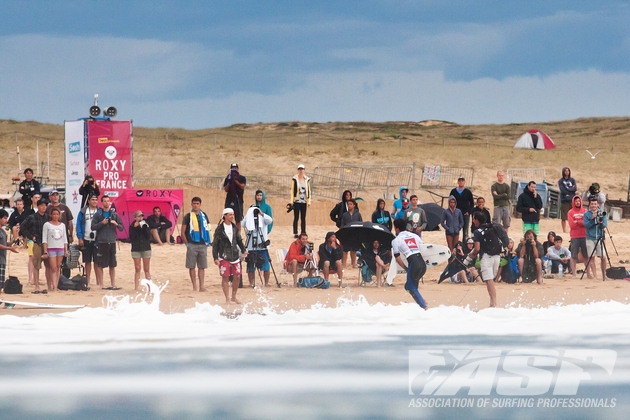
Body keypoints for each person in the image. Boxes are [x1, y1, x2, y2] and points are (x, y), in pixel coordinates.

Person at [213, 208, 248, 305]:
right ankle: (227, 298)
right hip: (224, 256)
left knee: (237, 276)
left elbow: (239, 240)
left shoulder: (234, 227)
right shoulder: (219, 229)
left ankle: (234, 296)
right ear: (225, 216)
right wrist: (215, 257)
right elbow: (215, 244)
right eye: (230, 215)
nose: (232, 216)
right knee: (225, 277)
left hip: (235, 256)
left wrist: (244, 250)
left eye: (232, 214)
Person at [464, 212, 500, 307]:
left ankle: (493, 303)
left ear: (476, 220)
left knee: (489, 280)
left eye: (474, 219)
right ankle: (493, 302)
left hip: (486, 257)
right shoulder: (492, 227)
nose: (473, 221)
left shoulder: (477, 231)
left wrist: (472, 255)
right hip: (497, 256)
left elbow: (477, 248)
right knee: (491, 279)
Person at [392, 218, 428, 310]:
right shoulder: (415, 236)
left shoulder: (396, 240)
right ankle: (422, 302)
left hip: (414, 264)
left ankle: (424, 307)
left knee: (411, 287)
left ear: (396, 228)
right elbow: (424, 248)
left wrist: (406, 268)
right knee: (408, 286)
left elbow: (397, 258)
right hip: (422, 265)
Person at [91, 195, 124, 290]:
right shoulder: (98, 214)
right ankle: (101, 284)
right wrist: (102, 223)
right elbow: (92, 227)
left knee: (112, 264)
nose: (106, 203)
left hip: (112, 241)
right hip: (102, 242)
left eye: (108, 201)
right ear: (102, 203)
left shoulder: (114, 214)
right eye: (104, 201)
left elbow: (122, 228)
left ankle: (113, 283)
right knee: (100, 264)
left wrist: (116, 224)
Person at [181, 197, 212, 292]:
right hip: (192, 244)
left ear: (200, 204)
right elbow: (183, 232)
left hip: (202, 244)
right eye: (194, 203)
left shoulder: (204, 215)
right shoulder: (187, 216)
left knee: (202, 266)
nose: (195, 205)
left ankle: (201, 286)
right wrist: (187, 244)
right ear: (191, 204)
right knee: (192, 266)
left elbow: (208, 229)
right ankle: (194, 286)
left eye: (197, 203)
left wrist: (209, 241)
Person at [19, 199, 49, 293]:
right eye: (42, 205)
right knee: (36, 265)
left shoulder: (48, 217)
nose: (44, 207)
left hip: (47, 243)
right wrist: (31, 236)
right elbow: (23, 227)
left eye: (45, 205)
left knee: (49, 266)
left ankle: (50, 285)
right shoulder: (32, 217)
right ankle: (36, 285)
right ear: (38, 206)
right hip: (37, 243)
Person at [243, 206, 273, 287]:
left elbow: (270, 220)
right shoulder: (248, 219)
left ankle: (266, 283)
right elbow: (243, 224)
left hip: (262, 246)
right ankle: (251, 283)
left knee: (266, 265)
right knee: (250, 265)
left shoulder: (263, 218)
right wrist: (248, 215)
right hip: (251, 247)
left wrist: (261, 213)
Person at [42, 208, 68, 292]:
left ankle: (56, 286)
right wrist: (45, 250)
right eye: (54, 214)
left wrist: (66, 250)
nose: (55, 216)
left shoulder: (62, 225)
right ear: (51, 215)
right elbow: (44, 238)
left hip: (60, 248)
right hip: (51, 248)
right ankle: (53, 287)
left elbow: (65, 239)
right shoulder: (47, 225)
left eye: (57, 214)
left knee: (58, 267)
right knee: (53, 268)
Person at [76, 195, 100, 286]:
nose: (94, 201)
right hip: (86, 239)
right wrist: (80, 237)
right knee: (87, 261)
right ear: (89, 201)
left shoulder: (99, 211)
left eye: (96, 200)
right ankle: (88, 280)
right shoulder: (83, 212)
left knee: (97, 261)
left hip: (97, 239)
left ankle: (98, 281)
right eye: (92, 200)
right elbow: (78, 225)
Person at [567, 195, 593, 279]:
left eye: (579, 201)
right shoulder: (570, 212)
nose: (577, 202)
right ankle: (574, 274)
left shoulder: (585, 211)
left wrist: (577, 221)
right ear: (573, 202)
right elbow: (572, 225)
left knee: (586, 255)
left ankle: (588, 273)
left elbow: (586, 223)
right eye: (576, 201)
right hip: (575, 236)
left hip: (584, 235)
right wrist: (580, 222)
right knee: (573, 255)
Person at [583, 198, 608, 280]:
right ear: (590, 204)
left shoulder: (602, 213)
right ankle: (595, 276)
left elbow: (604, 225)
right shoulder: (587, 214)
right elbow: (586, 225)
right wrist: (592, 219)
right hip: (590, 238)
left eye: (595, 204)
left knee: (603, 257)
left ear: (598, 204)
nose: (593, 205)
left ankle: (604, 275)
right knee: (591, 257)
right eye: (592, 204)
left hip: (599, 238)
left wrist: (600, 222)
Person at [129, 210, 152, 291]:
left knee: (146, 269)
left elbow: (148, 236)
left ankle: (149, 287)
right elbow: (132, 238)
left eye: (141, 216)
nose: (140, 218)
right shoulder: (132, 226)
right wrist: (135, 228)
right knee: (137, 268)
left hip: (145, 248)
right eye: (138, 216)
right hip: (136, 248)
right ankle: (136, 287)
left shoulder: (146, 224)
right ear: (135, 217)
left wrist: (144, 228)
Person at [450, 177, 474, 241]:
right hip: (456, 213)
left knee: (465, 231)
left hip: (465, 213)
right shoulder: (453, 191)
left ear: (464, 182)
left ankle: (465, 245)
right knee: (455, 230)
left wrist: (468, 212)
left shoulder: (468, 192)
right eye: (460, 181)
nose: (461, 182)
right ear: (458, 182)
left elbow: (472, 203)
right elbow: (450, 202)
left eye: (462, 181)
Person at [0, 209, 19, 291]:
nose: (6, 220)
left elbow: (4, 243)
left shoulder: (3, 231)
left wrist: (13, 241)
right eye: (4, 218)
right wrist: (9, 248)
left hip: (2, 260)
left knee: (1, 285)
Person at [223, 163, 246, 230]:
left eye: (235, 168)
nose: (234, 169)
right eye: (233, 168)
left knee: (238, 220)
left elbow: (242, 186)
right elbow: (226, 189)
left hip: (238, 201)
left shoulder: (242, 178)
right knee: (227, 218)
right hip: (229, 201)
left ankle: (237, 236)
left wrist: (235, 181)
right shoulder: (228, 178)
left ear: (238, 169)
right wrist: (230, 181)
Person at [341, 198, 362, 268]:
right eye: (348, 204)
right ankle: (343, 264)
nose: (349, 206)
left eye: (351, 204)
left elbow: (360, 223)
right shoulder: (345, 215)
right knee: (345, 250)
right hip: (347, 234)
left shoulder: (358, 214)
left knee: (354, 250)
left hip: (355, 234)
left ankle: (353, 264)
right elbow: (342, 224)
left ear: (354, 205)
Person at [290, 164, 311, 237]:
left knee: (303, 217)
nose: (301, 170)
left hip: (304, 201)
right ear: (298, 170)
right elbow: (292, 190)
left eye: (302, 169)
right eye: (299, 169)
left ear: (304, 170)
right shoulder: (295, 179)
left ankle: (303, 231)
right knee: (296, 217)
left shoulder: (307, 179)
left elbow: (309, 190)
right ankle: (295, 232)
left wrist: (309, 201)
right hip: (296, 201)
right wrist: (291, 201)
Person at [558, 167, 577, 233]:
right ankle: (564, 230)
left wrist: (568, 190)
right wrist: (570, 189)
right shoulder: (561, 181)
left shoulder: (572, 180)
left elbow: (575, 188)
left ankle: (573, 229)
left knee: (573, 215)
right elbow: (562, 190)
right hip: (564, 200)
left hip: (572, 200)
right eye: (565, 171)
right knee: (564, 216)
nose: (566, 172)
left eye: (568, 171)